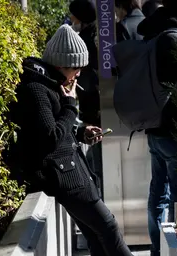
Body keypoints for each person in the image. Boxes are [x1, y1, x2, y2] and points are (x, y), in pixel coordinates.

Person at [5, 25, 160, 256]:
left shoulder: (50, 83)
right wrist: (70, 106)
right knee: (107, 227)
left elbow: (57, 130)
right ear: (61, 63)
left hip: (71, 171)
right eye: (75, 67)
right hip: (64, 176)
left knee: (97, 234)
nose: (78, 74)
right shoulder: (37, 89)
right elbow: (50, 138)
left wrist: (80, 132)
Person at [137, 0, 177, 256]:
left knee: (157, 192)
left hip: (154, 125)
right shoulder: (176, 37)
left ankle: (157, 252)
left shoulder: (153, 33)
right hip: (176, 127)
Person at [68, 0, 104, 196]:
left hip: (93, 108)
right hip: (97, 106)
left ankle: (99, 198)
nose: (71, 18)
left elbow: (89, 79)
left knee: (96, 161)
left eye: (73, 15)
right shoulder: (97, 37)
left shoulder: (83, 40)